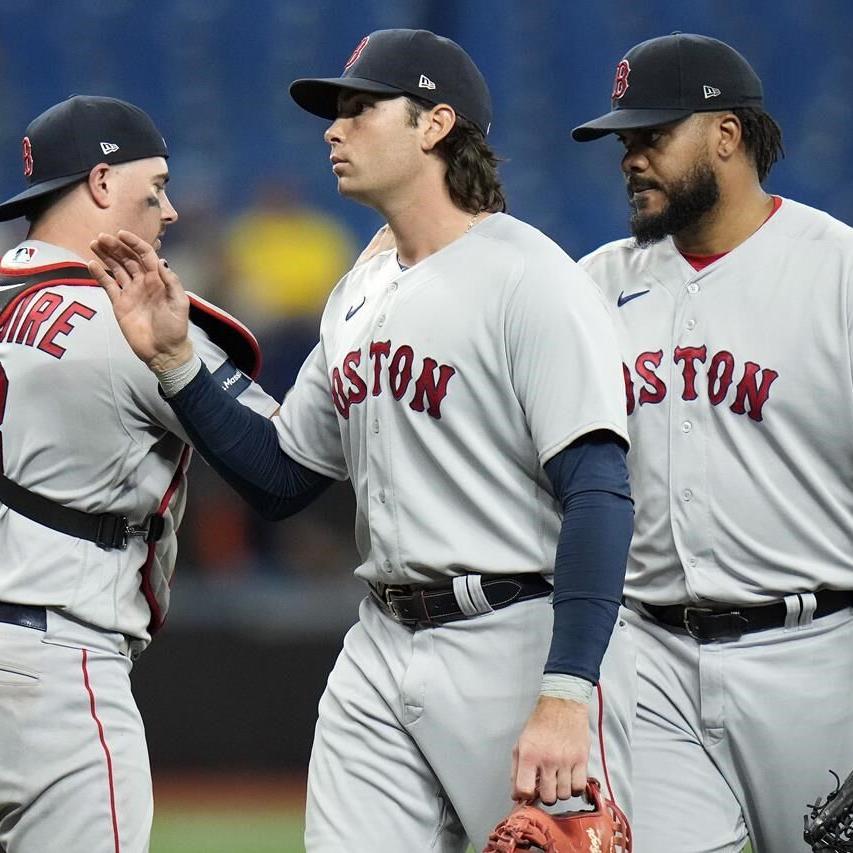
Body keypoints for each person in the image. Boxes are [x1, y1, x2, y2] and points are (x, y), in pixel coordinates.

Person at [91, 29, 636, 852]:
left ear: (434, 124)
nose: (331, 129)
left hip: (512, 637)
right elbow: (283, 477)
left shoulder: (533, 280)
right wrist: (175, 361)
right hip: (379, 638)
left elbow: (597, 491)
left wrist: (566, 692)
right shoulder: (360, 290)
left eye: (358, 108)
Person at [572, 32, 853, 853]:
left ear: (725, 135)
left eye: (651, 136)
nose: (630, 157)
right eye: (624, 140)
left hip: (817, 653)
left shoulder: (836, 273)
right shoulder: (594, 285)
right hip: (650, 655)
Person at [0, 95, 279, 853]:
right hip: (55, 669)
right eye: (153, 188)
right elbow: (283, 469)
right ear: (100, 184)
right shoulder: (129, 316)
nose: (170, 210)